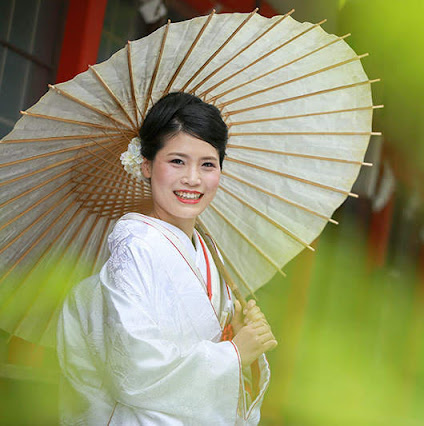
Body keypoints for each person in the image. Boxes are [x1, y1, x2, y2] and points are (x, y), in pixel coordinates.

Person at [57, 92, 277, 425]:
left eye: (208, 164)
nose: (193, 178)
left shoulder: (206, 250)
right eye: (177, 161)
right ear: (146, 165)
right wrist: (232, 355)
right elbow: (134, 365)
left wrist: (236, 332)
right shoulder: (136, 247)